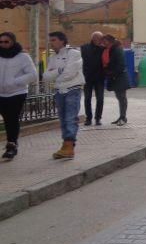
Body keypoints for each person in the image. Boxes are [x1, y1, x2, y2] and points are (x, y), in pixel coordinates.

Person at [43, 31, 85, 160]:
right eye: (50, 40)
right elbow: (45, 76)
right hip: (59, 91)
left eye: (54, 40)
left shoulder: (74, 53)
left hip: (73, 89)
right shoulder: (52, 57)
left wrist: (55, 74)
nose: (51, 43)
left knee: (70, 118)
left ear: (62, 41)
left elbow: (70, 73)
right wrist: (60, 71)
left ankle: (69, 145)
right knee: (62, 120)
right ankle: (66, 146)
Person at [0, 32, 37, 160]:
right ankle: (12, 143)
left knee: (12, 118)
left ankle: (12, 145)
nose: (3, 44)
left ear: (13, 42)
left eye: (6, 41)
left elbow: (33, 75)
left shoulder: (23, 57)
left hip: (17, 92)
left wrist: (15, 82)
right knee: (6, 119)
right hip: (1, 93)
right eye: (1, 42)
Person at [101, 34, 130, 126]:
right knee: (119, 97)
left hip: (120, 77)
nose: (103, 43)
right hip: (115, 77)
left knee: (122, 98)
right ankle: (121, 116)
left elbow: (121, 65)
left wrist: (113, 74)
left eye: (104, 41)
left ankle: (123, 118)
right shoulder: (110, 49)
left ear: (110, 41)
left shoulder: (117, 49)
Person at [81, 31, 106, 126]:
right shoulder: (84, 48)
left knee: (100, 99)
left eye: (102, 39)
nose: (101, 41)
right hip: (88, 78)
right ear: (94, 38)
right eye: (100, 39)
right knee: (87, 98)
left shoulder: (103, 49)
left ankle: (98, 118)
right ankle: (88, 118)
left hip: (100, 78)